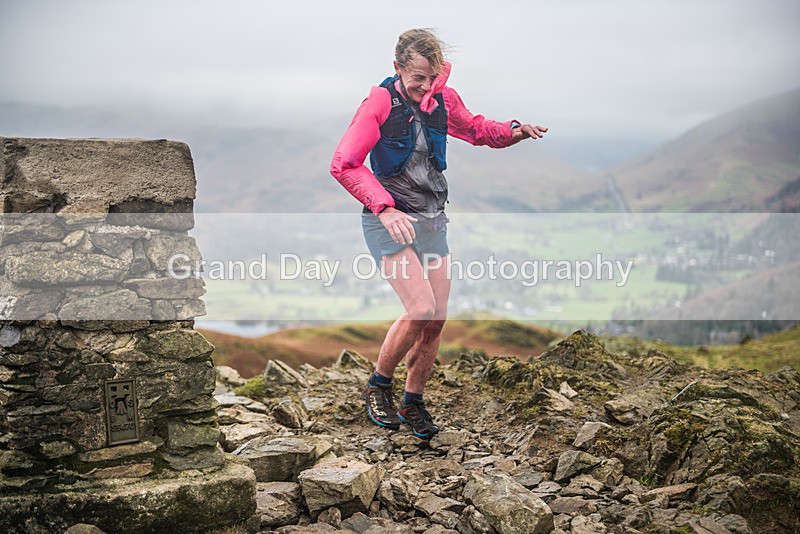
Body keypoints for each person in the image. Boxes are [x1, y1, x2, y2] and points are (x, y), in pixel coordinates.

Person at [330, 28, 547, 439]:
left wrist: (513, 131)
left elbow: (476, 129)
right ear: (397, 68)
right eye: (417, 78)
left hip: (432, 222)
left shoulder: (444, 99)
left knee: (436, 320)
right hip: (387, 222)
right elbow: (344, 162)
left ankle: (413, 402)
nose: (424, 86)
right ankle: (378, 386)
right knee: (421, 308)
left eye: (431, 77)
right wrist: (385, 207)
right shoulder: (380, 101)